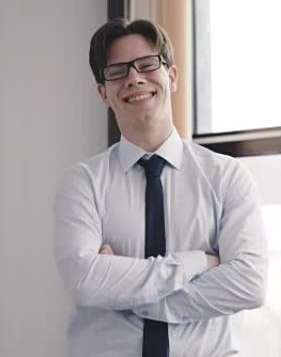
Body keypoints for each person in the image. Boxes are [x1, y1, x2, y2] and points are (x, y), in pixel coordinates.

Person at [53, 18, 268, 357]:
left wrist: (128, 295)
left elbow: (248, 285)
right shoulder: (83, 184)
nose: (134, 78)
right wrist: (197, 263)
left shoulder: (227, 177)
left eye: (147, 64)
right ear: (103, 93)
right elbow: (85, 283)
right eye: (117, 71)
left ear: (172, 76)